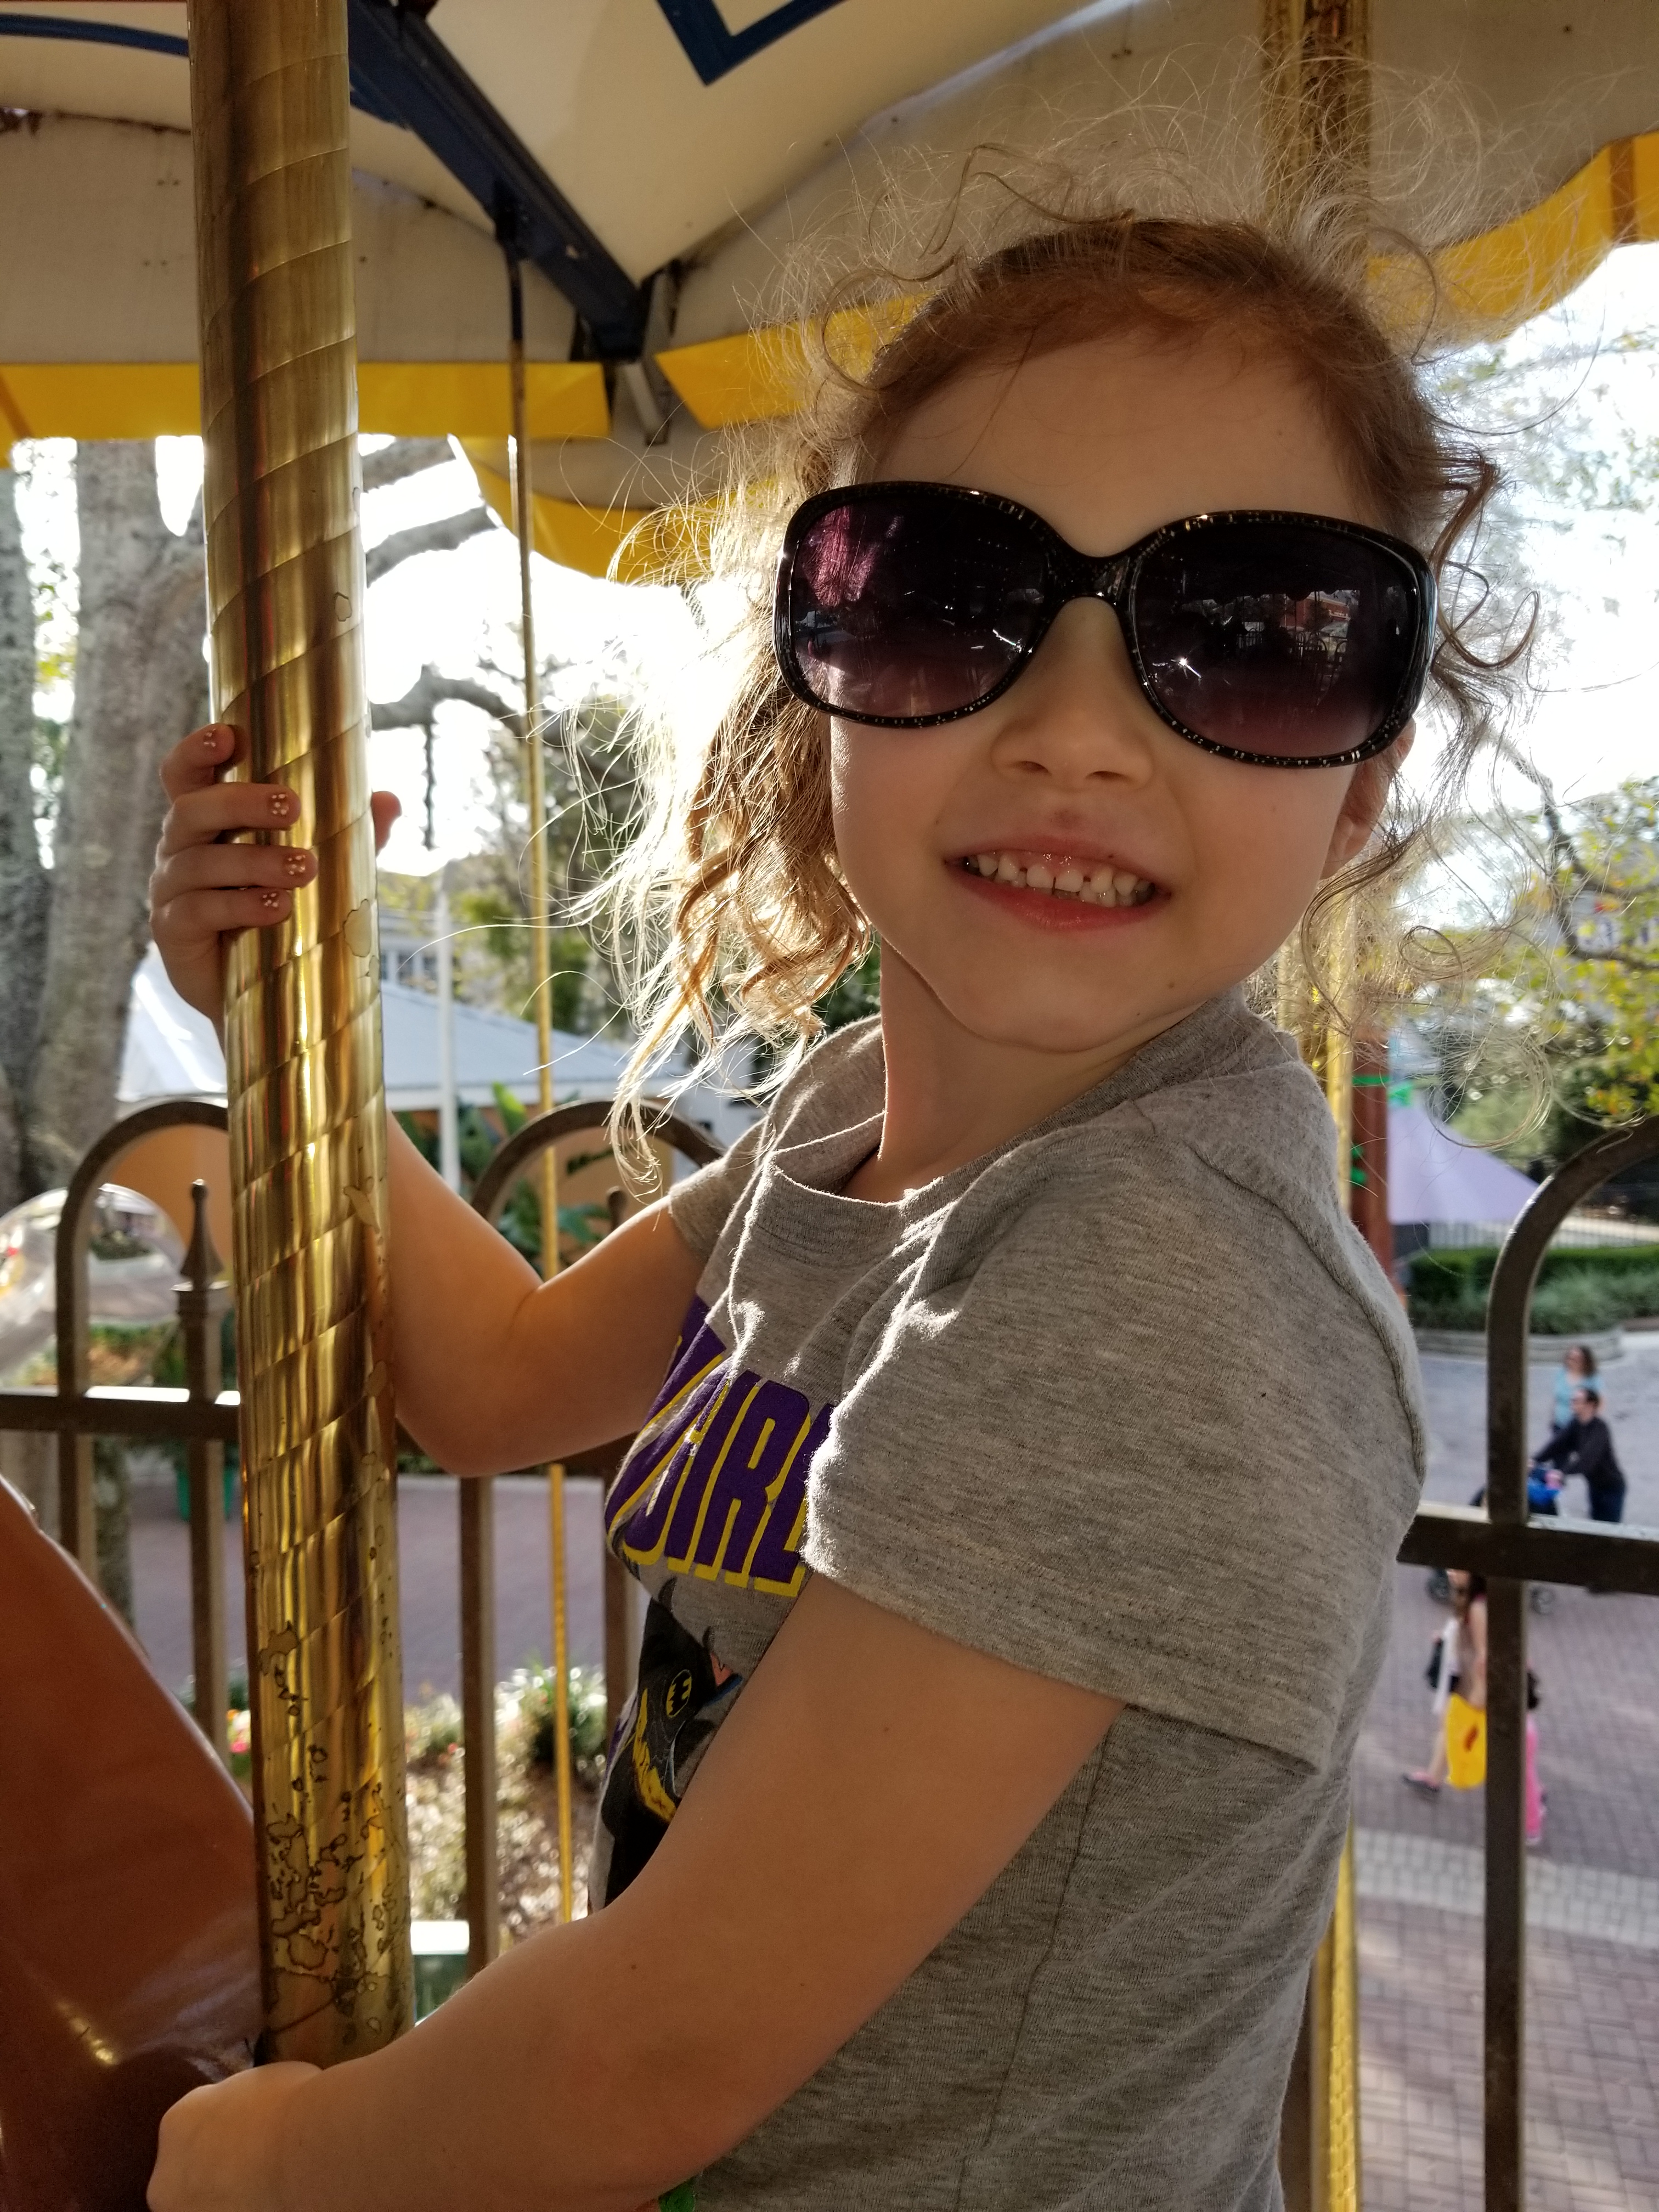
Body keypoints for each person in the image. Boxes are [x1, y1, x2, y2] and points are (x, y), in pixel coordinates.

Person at [145, 201, 1522, 2212]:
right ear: (820, 693)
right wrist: (300, 1014)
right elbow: (495, 1378)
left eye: (1253, 636)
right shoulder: (852, 1116)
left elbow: (647, 2057)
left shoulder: (1155, 1284)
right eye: (943, 603)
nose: (1076, 735)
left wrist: (273, 2167)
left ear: (1358, 788)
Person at [1403, 1571, 1487, 1796]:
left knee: (1452, 1725)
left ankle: (1434, 1778)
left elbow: (1483, 1655)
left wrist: (1479, 1690)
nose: (1451, 1572)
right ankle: (1433, 1778)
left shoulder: (1477, 1608)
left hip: (1469, 1681)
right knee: (1448, 1724)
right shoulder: (1469, 1599)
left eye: (1459, 1569)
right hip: (1463, 1677)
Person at [1533, 1383, 1627, 1525]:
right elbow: (1557, 1445)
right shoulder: (1576, 1424)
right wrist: (1535, 1460)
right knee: (1597, 1524)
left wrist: (1562, 1473)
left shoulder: (1600, 1429)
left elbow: (1588, 1459)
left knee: (1610, 1528)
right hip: (1595, 1485)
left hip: (1611, 1487)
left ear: (1590, 1405)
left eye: (1577, 1401)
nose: (1572, 1403)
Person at [1551, 1341, 1598, 1432]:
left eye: (1577, 1359)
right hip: (1559, 1425)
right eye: (1571, 1358)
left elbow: (1599, 1403)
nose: (1573, 1361)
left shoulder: (1591, 1378)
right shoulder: (1561, 1374)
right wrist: (1553, 1418)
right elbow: (1556, 1399)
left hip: (1581, 1428)